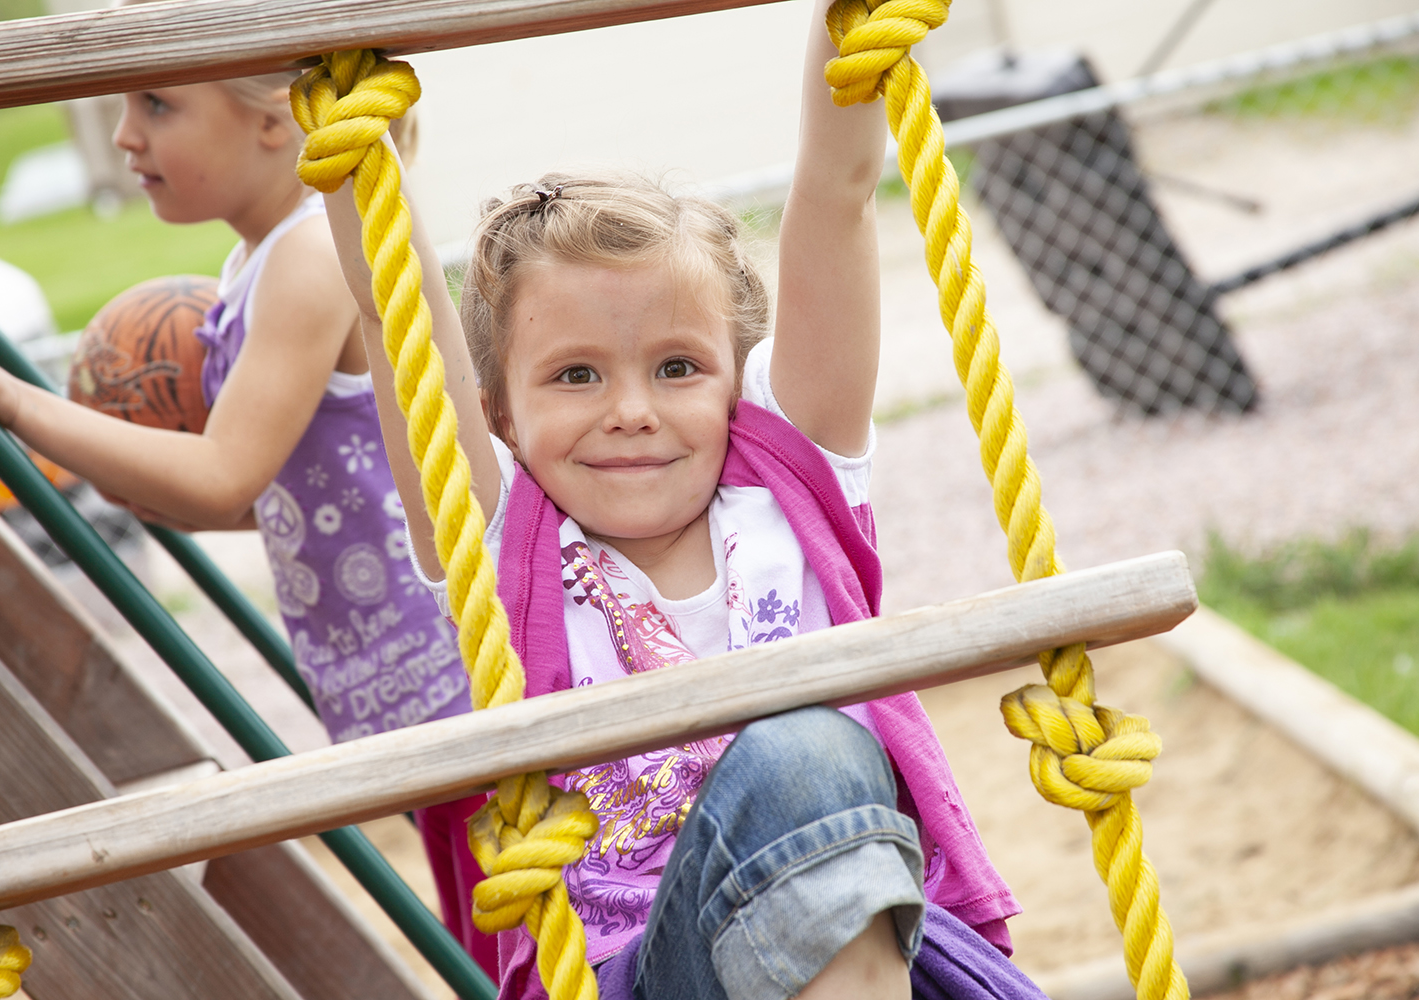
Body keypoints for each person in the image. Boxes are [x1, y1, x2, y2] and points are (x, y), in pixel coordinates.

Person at [323, 2, 1051, 996]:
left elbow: (835, 193)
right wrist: (351, 131)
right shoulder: (504, 547)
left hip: (873, 946)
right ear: (495, 409)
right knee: (801, 753)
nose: (631, 411)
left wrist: (855, 24)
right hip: (649, 972)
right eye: (575, 375)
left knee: (807, 757)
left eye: (677, 366)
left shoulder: (789, 486)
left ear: (735, 378)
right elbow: (386, 299)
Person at [0, 68, 495, 974]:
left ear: (273, 120)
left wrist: (16, 401)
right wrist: (161, 488)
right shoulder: (255, 262)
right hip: (397, 682)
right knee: (482, 938)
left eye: (157, 105)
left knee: (509, 938)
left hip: (448, 664)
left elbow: (226, 474)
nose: (123, 137)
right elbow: (308, 495)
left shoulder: (313, 251)